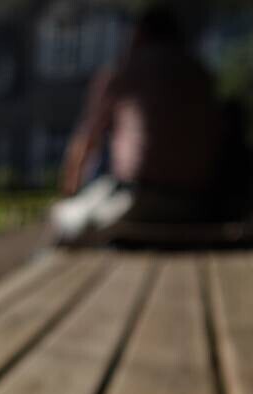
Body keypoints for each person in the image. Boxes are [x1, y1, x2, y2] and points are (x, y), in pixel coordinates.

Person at [51, 6, 221, 243]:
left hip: (141, 200)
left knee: (64, 219)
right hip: (200, 204)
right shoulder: (200, 73)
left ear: (139, 35)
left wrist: (70, 192)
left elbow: (88, 139)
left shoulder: (123, 71)